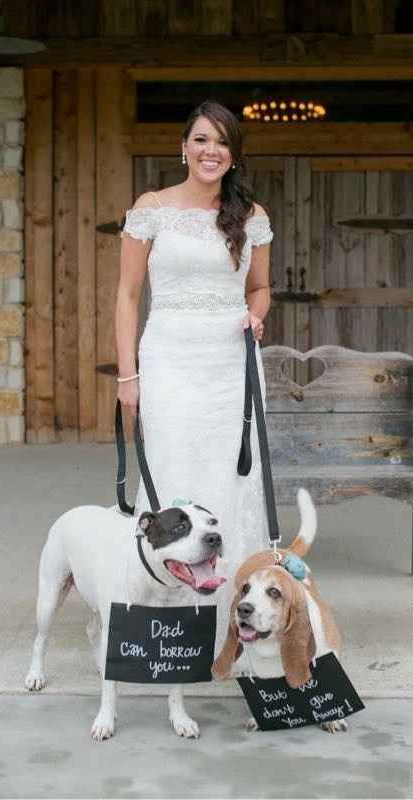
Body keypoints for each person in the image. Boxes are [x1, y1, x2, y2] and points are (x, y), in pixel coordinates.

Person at [115, 100, 273, 655]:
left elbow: (259, 288)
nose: (211, 151)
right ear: (183, 147)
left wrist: (258, 314)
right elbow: (127, 295)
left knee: (229, 480)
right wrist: (127, 375)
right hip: (170, 360)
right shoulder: (151, 209)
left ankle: (230, 619)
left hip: (230, 366)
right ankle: (159, 620)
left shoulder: (251, 216)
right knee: (169, 473)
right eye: (202, 140)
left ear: (233, 156)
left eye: (223, 143)